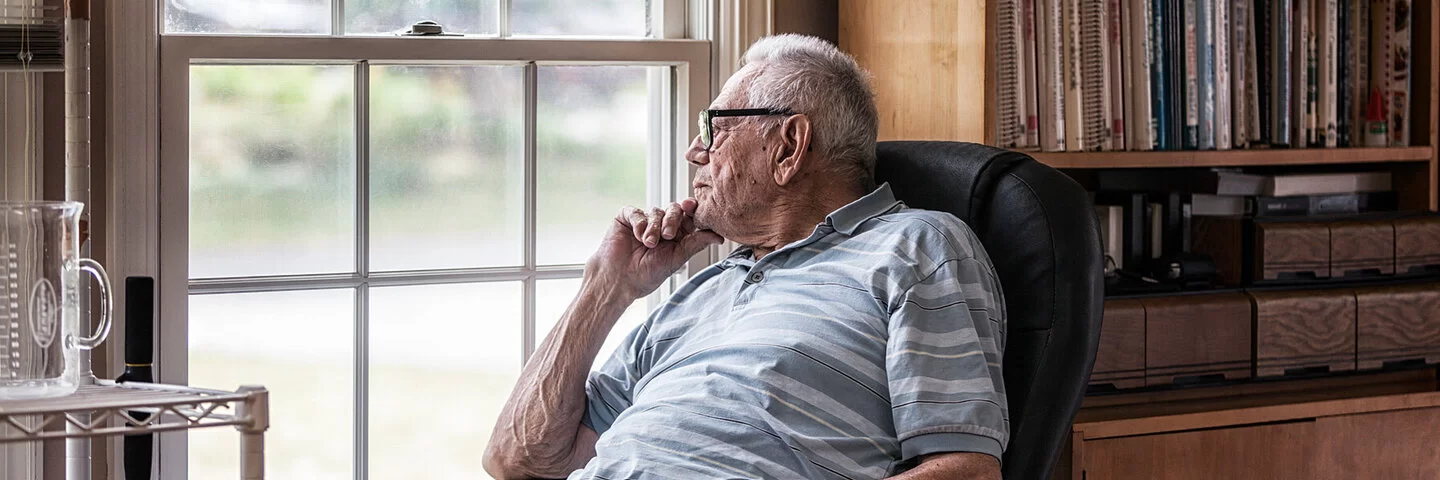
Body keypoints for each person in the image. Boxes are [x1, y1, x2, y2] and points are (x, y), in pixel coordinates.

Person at [484, 34, 1008, 480]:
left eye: (715, 127)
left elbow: (967, 469)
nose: (694, 150)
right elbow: (520, 461)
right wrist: (606, 288)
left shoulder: (917, 246)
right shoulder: (701, 294)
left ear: (788, 146)